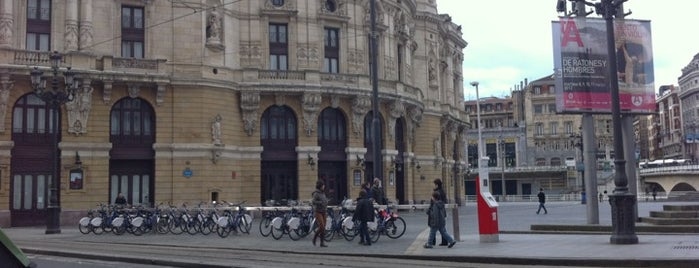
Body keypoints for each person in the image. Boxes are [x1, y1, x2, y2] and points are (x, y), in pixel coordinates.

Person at [431, 178, 449, 246]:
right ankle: (445, 241)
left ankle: (432, 242)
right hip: (441, 212)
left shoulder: (437, 192)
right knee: (442, 228)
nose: (433, 186)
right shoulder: (442, 191)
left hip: (437, 211)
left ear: (437, 185)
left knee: (434, 227)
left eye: (434, 184)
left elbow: (434, 203)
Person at [311, 180, 329, 247]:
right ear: (320, 186)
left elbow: (324, 200)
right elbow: (313, 202)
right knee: (321, 226)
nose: (324, 186)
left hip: (324, 211)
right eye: (323, 185)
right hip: (318, 211)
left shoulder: (323, 193)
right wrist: (320, 202)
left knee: (323, 227)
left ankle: (322, 243)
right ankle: (314, 238)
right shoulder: (316, 193)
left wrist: (326, 201)